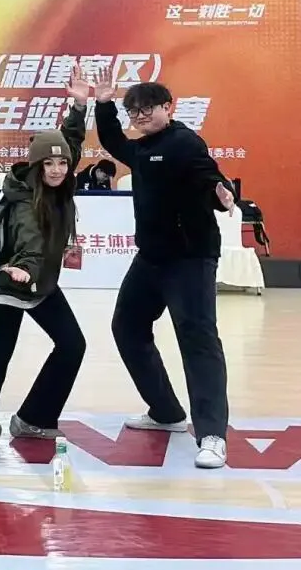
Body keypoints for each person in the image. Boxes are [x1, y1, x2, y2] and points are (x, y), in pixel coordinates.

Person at [95, 79, 234, 469]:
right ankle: (166, 411)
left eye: (147, 109)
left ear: (167, 107)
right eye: (133, 111)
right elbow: (113, 140)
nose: (140, 117)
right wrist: (103, 105)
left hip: (190, 259)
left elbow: (208, 176)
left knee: (198, 340)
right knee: (127, 327)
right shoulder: (142, 149)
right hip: (151, 258)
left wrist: (221, 193)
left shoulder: (184, 142)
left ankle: (212, 434)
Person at [0, 73, 91, 461]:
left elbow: (71, 141)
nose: (57, 169)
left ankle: (34, 417)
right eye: (49, 163)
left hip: (38, 284)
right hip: (9, 282)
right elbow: (30, 242)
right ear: (36, 166)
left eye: (62, 163)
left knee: (72, 344)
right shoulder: (26, 202)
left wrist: (79, 106)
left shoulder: (59, 181)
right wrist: (26, 269)